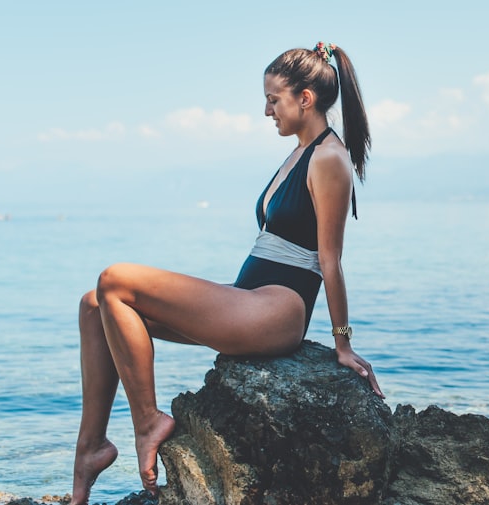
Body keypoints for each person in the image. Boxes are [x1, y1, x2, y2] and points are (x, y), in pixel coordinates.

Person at [70, 43, 383, 505]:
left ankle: (148, 424)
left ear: (305, 99)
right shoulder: (299, 153)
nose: (266, 110)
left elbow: (330, 260)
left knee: (115, 278)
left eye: (273, 99)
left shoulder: (328, 159)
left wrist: (343, 344)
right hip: (248, 300)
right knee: (95, 304)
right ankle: (91, 450)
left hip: (277, 311)